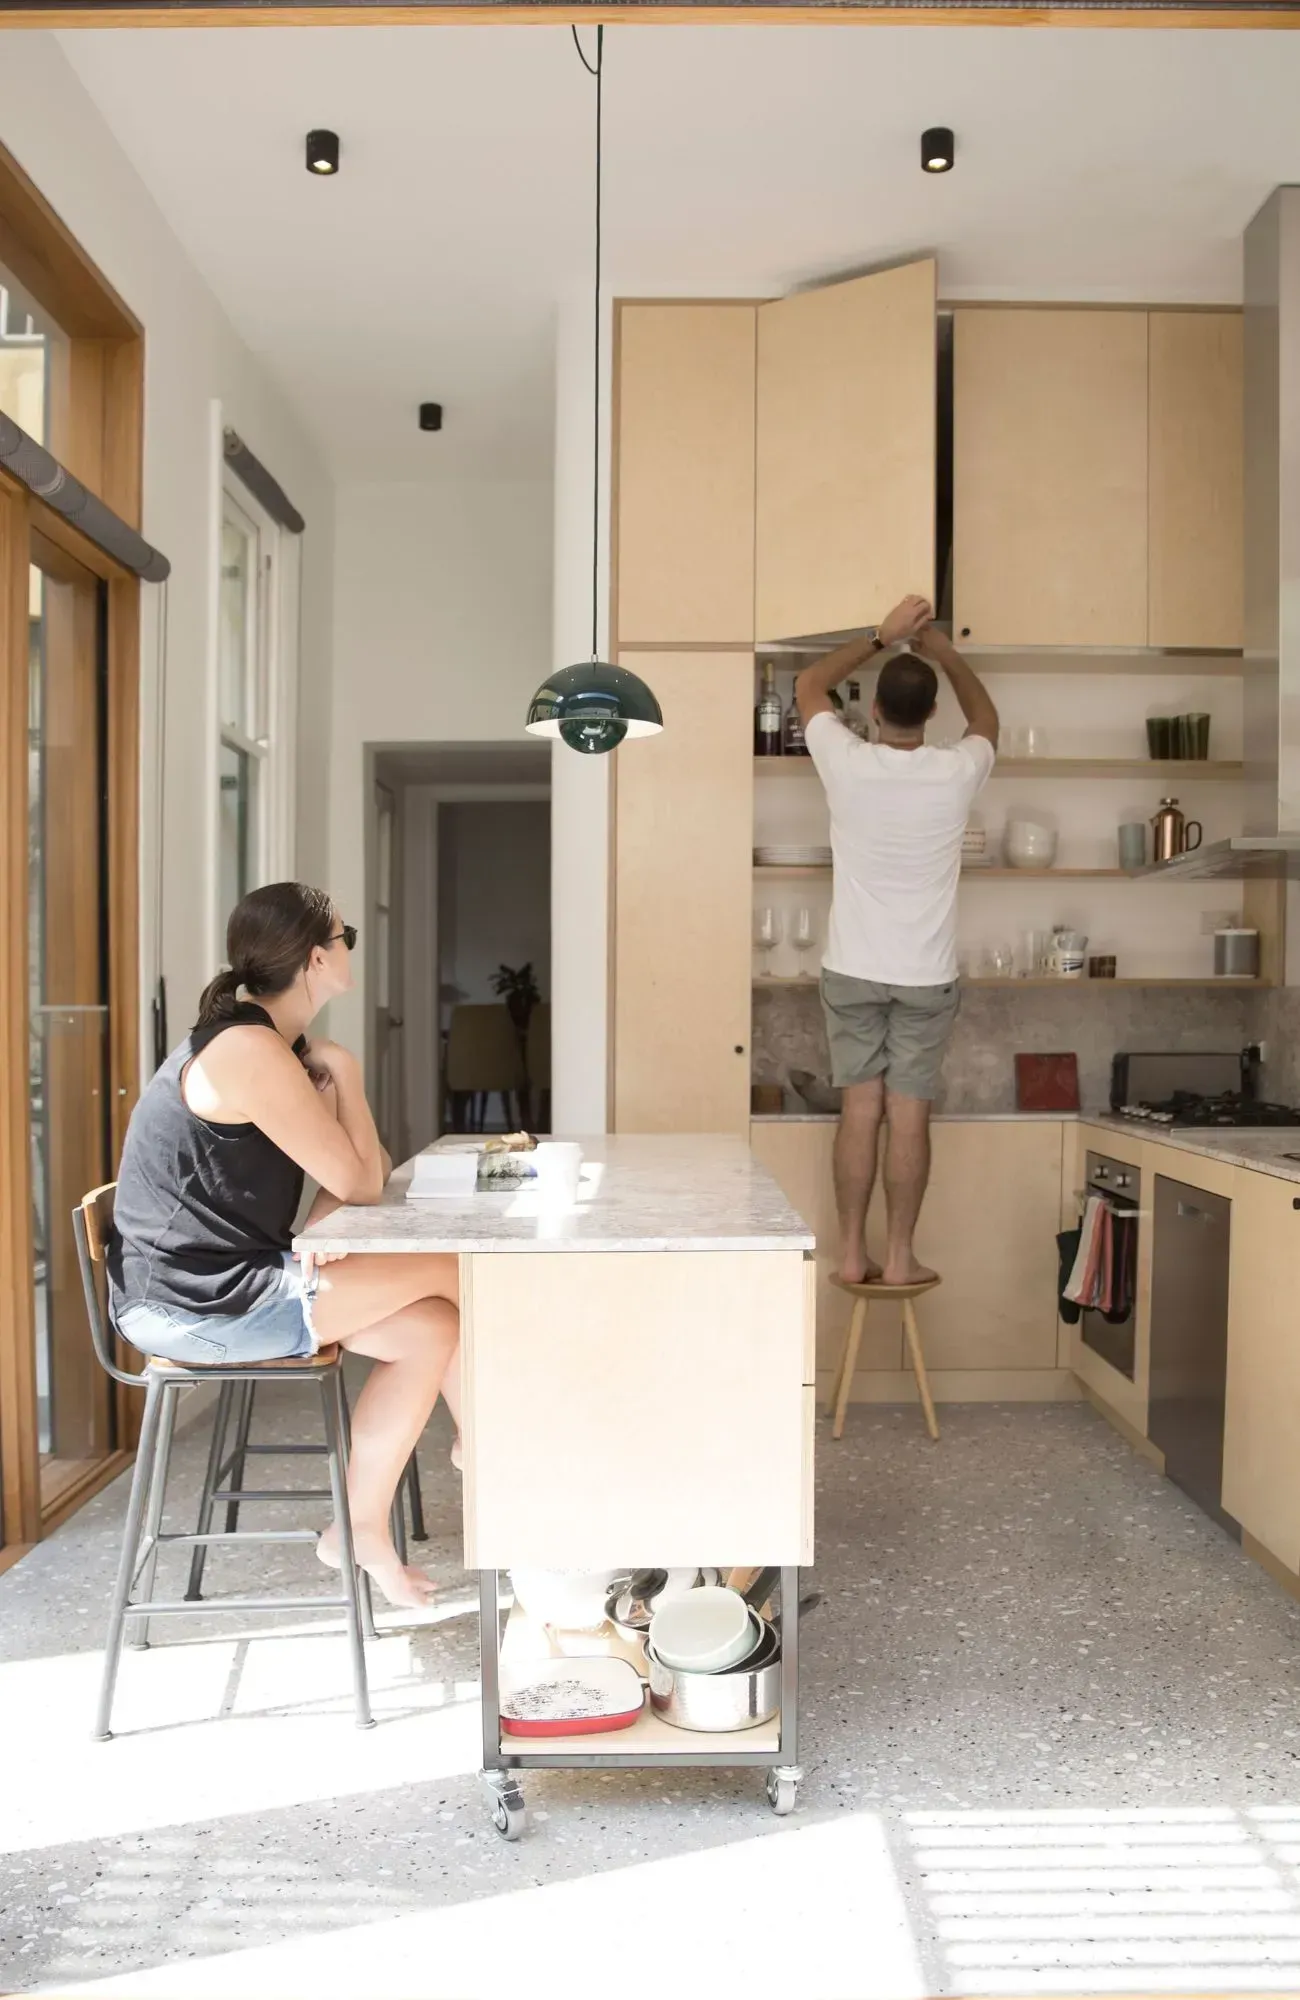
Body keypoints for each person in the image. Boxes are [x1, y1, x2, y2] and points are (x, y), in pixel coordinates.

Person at [108, 881, 459, 1610]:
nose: (349, 948)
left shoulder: (273, 1046)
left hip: (235, 1278)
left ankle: (360, 1528)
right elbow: (361, 1181)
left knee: (434, 1325)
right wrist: (348, 1075)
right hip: (194, 1302)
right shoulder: (248, 1050)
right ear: (316, 959)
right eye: (344, 937)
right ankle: (493, 1449)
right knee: (459, 1269)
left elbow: (355, 1174)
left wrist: (321, 1228)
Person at [794, 596, 999, 1289]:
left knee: (861, 1108)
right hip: (924, 976)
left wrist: (881, 636)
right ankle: (902, 1254)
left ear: (874, 710)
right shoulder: (957, 770)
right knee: (908, 1114)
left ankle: (854, 1252)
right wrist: (941, 650)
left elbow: (810, 685)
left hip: (851, 969)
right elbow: (987, 719)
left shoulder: (846, 761)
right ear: (931, 714)